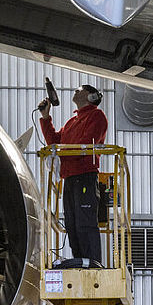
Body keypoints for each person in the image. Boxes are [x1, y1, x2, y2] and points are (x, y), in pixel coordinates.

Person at [38, 84, 108, 268]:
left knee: (85, 221)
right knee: (72, 223)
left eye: (79, 90)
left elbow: (85, 145)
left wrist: (62, 152)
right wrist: (46, 118)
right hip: (69, 178)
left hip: (85, 175)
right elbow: (54, 141)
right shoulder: (71, 122)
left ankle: (92, 263)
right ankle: (80, 262)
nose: (75, 92)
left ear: (91, 96)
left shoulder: (97, 116)